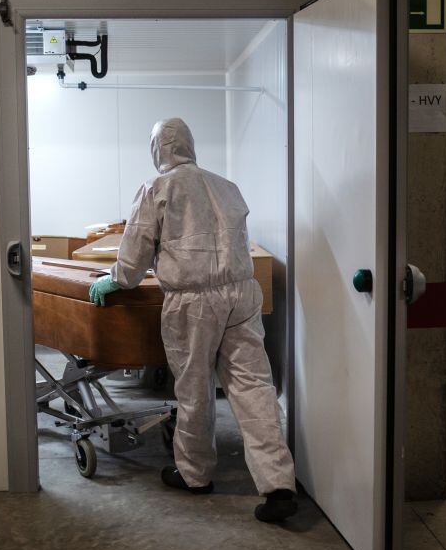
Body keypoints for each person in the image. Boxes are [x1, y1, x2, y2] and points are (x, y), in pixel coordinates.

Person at [88, 117, 297, 523]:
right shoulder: (226, 186)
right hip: (242, 293)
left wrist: (115, 281)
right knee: (254, 387)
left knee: (195, 388)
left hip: (194, 302)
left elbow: (133, 258)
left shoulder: (157, 188)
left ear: (157, 149)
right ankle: (278, 486)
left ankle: (195, 474)